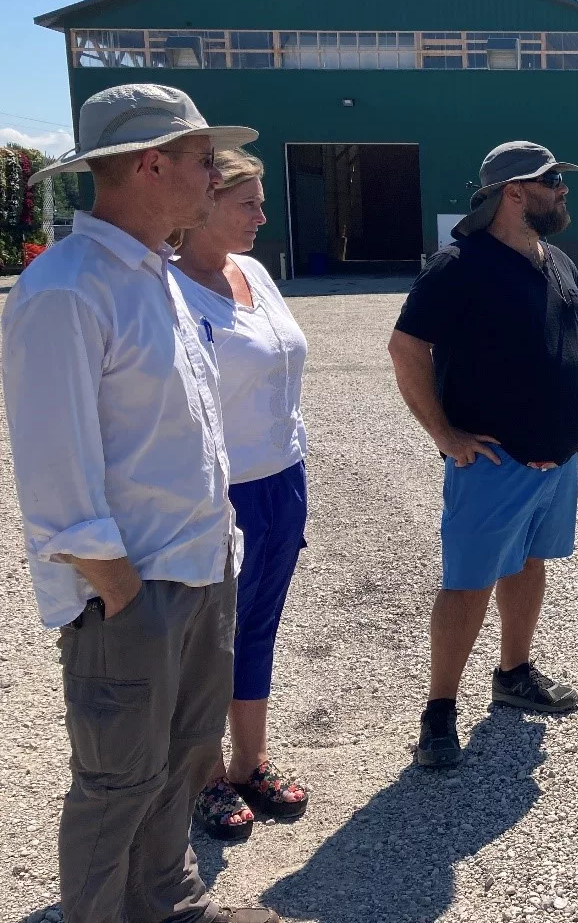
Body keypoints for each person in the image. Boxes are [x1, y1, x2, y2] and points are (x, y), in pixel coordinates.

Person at [1, 83, 279, 923]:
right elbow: (54, 474)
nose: (213, 176)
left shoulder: (151, 273)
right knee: (117, 782)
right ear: (152, 164)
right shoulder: (66, 289)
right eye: (202, 161)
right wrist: (118, 589)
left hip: (197, 569)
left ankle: (170, 899)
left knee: (185, 757)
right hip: (134, 590)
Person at [388, 141, 578, 767]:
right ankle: (439, 711)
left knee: (530, 563)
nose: (563, 190)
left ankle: (513, 673)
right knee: (467, 584)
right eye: (552, 180)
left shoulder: (556, 259)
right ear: (513, 192)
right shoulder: (459, 266)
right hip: (493, 465)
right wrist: (446, 437)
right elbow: (406, 350)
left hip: (557, 460)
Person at [171, 148, 311, 841]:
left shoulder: (253, 270)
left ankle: (249, 760)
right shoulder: (166, 288)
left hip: (282, 478)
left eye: (262, 200)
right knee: (205, 642)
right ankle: (202, 778)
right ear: (201, 204)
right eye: (247, 202)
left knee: (256, 624)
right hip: (216, 490)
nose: (262, 215)